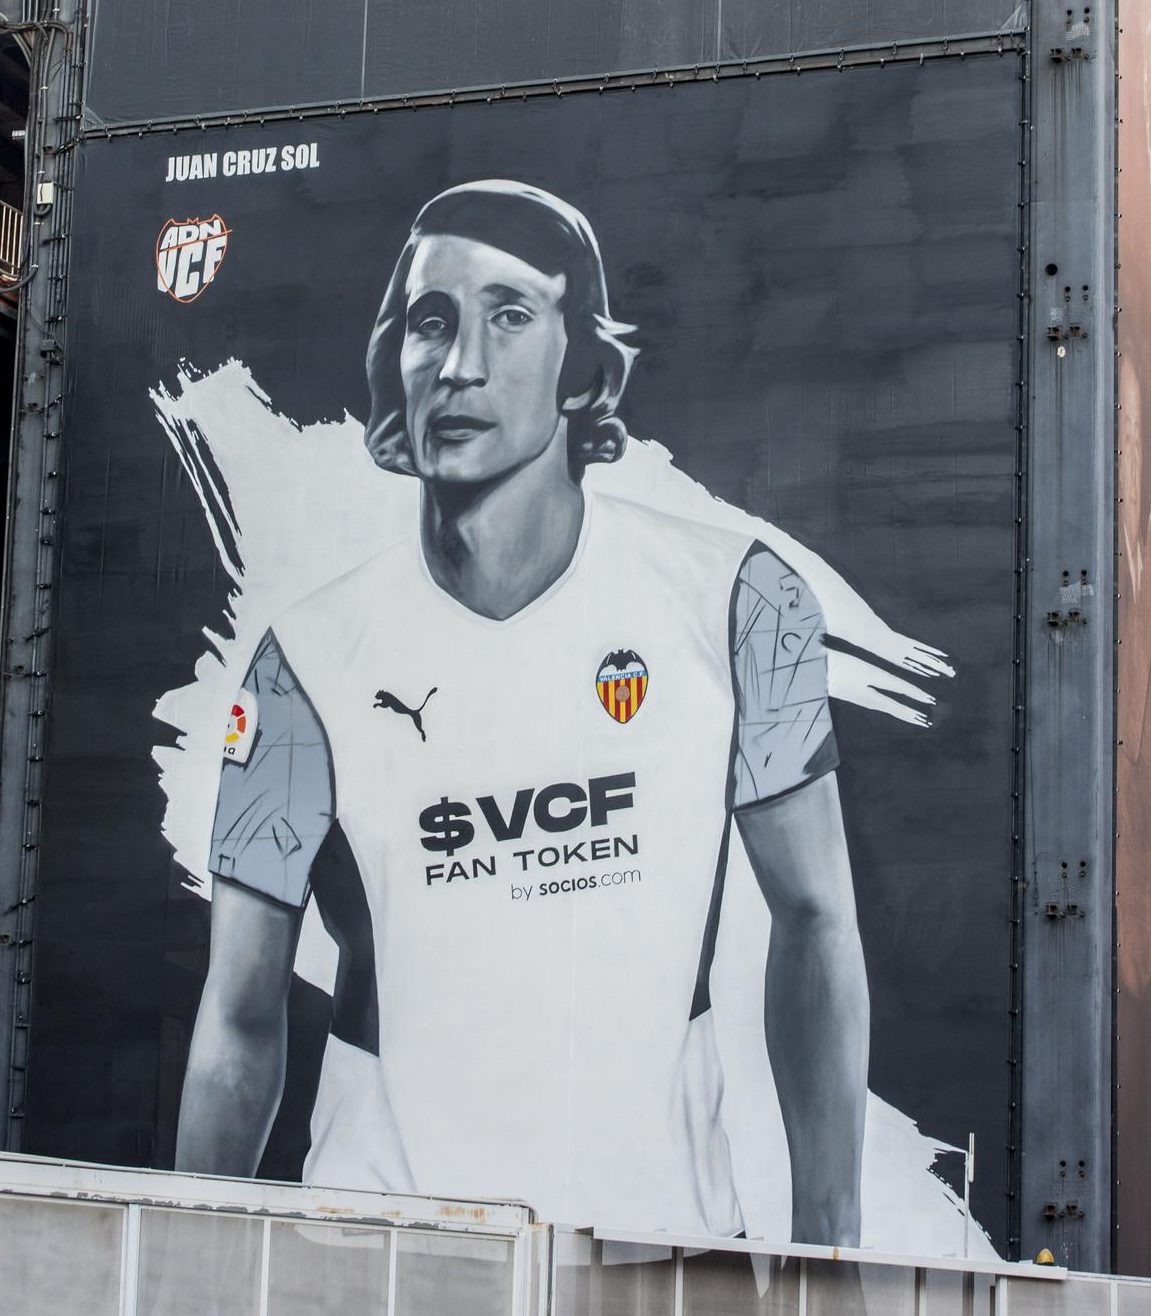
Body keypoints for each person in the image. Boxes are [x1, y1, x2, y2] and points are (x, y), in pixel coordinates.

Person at [175, 179, 869, 1241]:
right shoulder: (301, 662)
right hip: (381, 1266)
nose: (458, 365)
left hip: (651, 1256)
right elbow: (237, 1011)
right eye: (429, 321)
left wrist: (833, 1246)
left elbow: (816, 917)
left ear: (583, 365)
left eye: (507, 314)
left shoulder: (736, 598)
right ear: (393, 360)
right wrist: (188, 1264)